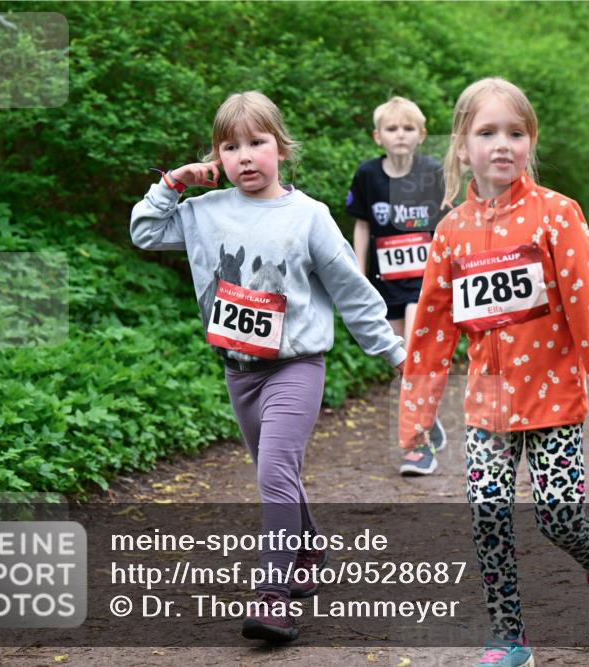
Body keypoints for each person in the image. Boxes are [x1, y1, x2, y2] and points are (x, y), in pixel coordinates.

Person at [131, 91, 406, 644]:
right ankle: (308, 548)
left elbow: (351, 291)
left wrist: (395, 353)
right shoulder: (204, 213)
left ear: (281, 148)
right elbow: (144, 232)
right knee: (277, 472)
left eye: (257, 143)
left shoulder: (309, 217)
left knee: (273, 472)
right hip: (239, 371)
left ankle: (273, 596)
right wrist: (174, 183)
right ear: (217, 157)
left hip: (295, 366)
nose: (245, 156)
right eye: (230, 147)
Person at [397, 78, 589, 666]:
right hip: (490, 407)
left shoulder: (557, 215)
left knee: (559, 518)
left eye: (515, 132)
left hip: (554, 399)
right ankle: (509, 638)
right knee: (488, 517)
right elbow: (431, 332)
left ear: (531, 141)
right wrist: (416, 417)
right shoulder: (451, 232)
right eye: (487, 133)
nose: (502, 144)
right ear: (461, 146)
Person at [347, 96, 449, 475]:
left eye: (408, 128)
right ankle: (427, 418)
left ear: (421, 134)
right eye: (392, 129)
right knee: (400, 360)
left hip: (425, 280)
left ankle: (418, 446)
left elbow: (448, 223)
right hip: (384, 281)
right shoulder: (368, 175)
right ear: (378, 137)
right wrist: (358, 275)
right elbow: (362, 225)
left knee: (415, 353)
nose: (400, 135)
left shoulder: (432, 172)